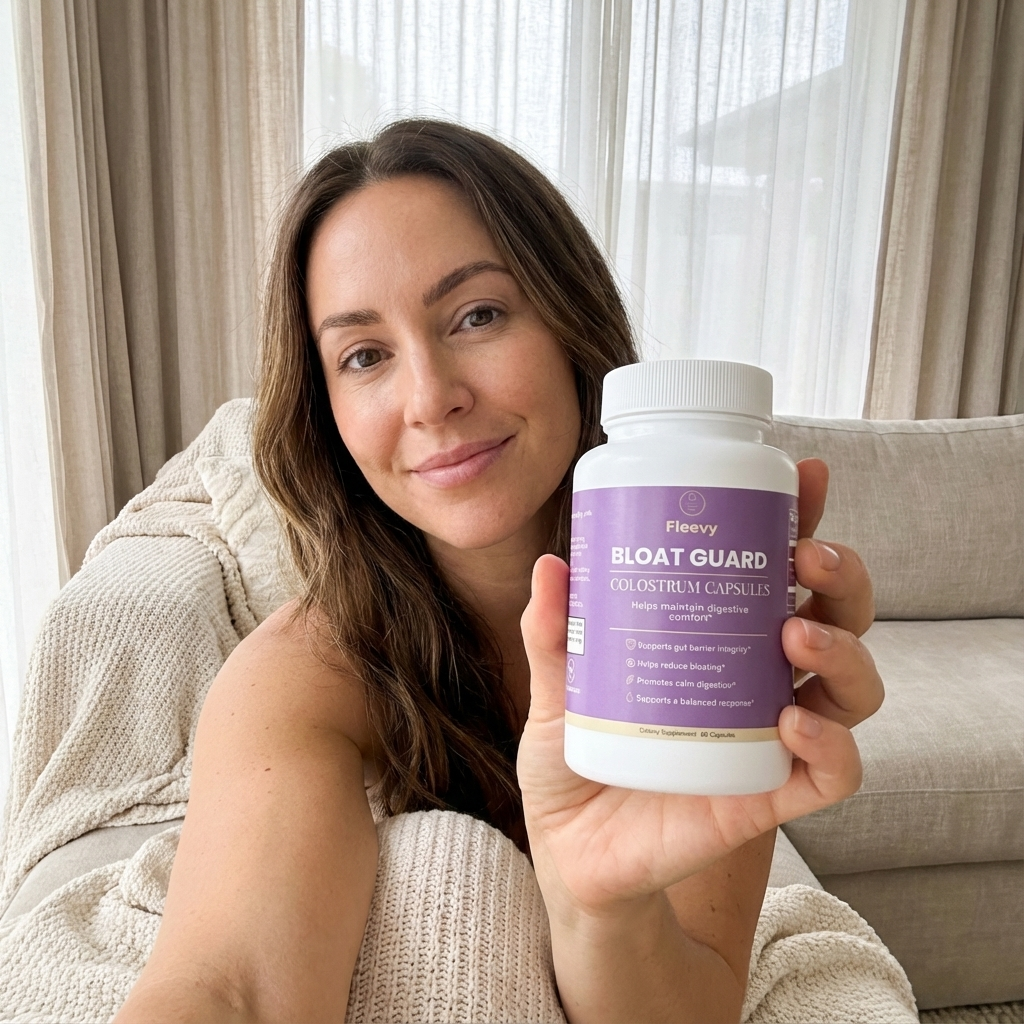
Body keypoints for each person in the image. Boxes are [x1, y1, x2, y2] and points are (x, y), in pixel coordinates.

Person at [114, 119, 882, 1024]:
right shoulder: (306, 673)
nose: (431, 397)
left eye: (477, 315)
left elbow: (691, 1005)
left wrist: (604, 906)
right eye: (365, 355)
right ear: (327, 414)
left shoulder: (694, 636)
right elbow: (230, 988)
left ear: (570, 323)